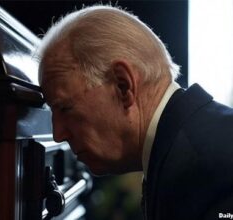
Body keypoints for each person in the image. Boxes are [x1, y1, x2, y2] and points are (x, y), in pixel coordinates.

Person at [36, 5, 233, 220]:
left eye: (65, 108)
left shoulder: (210, 169)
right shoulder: (185, 150)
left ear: (123, 86)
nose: (58, 134)